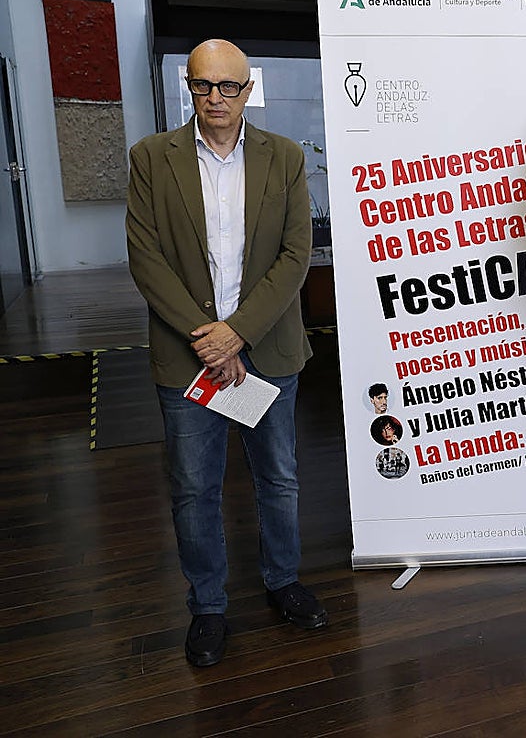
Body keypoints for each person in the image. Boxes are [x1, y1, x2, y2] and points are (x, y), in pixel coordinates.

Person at [126, 38, 327, 668]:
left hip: (267, 348)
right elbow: (146, 260)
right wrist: (209, 339)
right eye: (204, 85)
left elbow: (297, 256)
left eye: (229, 86)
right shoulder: (151, 159)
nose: (217, 98)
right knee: (194, 488)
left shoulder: (286, 158)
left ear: (249, 90)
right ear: (188, 86)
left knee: (280, 478)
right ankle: (208, 607)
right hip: (189, 354)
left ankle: (283, 583)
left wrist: (237, 332)